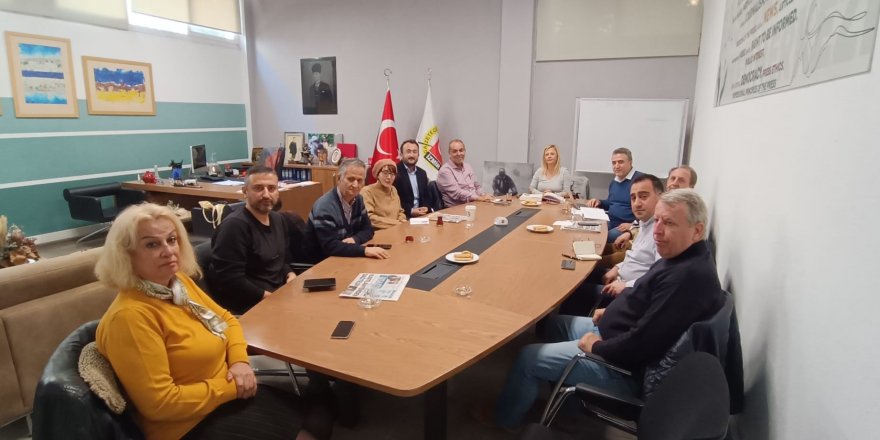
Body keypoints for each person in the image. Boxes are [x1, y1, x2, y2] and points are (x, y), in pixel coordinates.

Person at [493, 189, 725, 429]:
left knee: (528, 358)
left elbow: (642, 343)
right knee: (555, 325)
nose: (657, 230)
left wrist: (596, 346)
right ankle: (566, 405)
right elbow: (645, 301)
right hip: (615, 333)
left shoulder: (685, 278)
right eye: (657, 220)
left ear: (697, 230)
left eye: (669, 223)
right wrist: (610, 313)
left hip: (621, 366)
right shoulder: (682, 257)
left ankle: (503, 423)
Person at [94, 203, 329, 440]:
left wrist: (239, 362)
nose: (168, 251)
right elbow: (160, 404)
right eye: (152, 244)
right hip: (187, 423)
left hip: (223, 390)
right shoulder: (130, 317)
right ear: (126, 254)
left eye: (172, 240)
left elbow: (227, 319)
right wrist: (233, 388)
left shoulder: (178, 283)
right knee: (312, 430)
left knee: (322, 416)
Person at [559, 174, 663, 316]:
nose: (637, 203)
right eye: (633, 198)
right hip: (621, 277)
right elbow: (636, 259)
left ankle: (563, 323)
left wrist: (625, 285)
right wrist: (617, 268)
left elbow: (658, 278)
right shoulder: (644, 223)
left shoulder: (660, 233)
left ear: (660, 197)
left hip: (628, 292)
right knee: (576, 269)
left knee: (574, 288)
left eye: (643, 197)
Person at [207, 166, 296, 314]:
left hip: (278, 296)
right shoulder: (234, 227)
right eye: (258, 188)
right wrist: (271, 298)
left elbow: (282, 259)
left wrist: (290, 274)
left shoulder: (278, 219)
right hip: (251, 307)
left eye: (271, 188)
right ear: (245, 191)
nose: (266, 194)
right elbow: (230, 280)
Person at [306, 158, 389, 260]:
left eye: (360, 180)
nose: (355, 185)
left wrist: (355, 239)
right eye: (351, 179)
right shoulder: (325, 206)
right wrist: (364, 251)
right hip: (321, 261)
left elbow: (368, 229)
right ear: (339, 178)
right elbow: (329, 246)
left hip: (344, 256)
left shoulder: (358, 199)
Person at [586, 147, 644, 243]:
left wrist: (634, 225)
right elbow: (611, 203)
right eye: (614, 163)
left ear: (630, 162)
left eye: (620, 162)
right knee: (588, 230)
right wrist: (599, 202)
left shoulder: (641, 181)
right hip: (610, 220)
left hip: (626, 225)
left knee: (603, 237)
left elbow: (650, 209)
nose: (616, 166)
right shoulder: (615, 182)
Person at [436, 139, 491, 207]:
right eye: (455, 151)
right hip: (457, 208)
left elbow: (477, 186)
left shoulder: (468, 166)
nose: (459, 154)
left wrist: (484, 195)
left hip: (474, 204)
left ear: (464, 151)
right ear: (449, 153)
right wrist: (479, 198)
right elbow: (457, 193)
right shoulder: (445, 171)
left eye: (461, 150)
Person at [360, 158, 407, 229]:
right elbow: (369, 218)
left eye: (393, 174)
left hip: (396, 229)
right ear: (377, 174)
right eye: (385, 173)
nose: (389, 177)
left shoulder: (393, 189)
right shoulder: (367, 191)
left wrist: (402, 219)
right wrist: (397, 223)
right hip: (377, 232)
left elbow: (400, 211)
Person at [394, 139, 435, 218]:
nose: (412, 155)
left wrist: (426, 207)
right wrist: (411, 211)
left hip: (422, 215)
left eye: (415, 152)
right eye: (408, 151)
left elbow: (426, 197)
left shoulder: (422, 173)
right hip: (403, 216)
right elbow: (393, 200)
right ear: (401, 154)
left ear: (418, 155)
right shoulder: (395, 172)